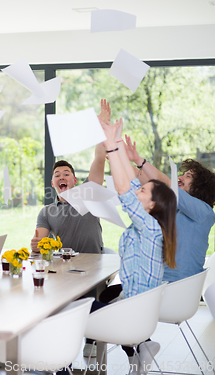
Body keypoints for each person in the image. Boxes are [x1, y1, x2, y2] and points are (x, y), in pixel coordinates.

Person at [94, 117, 177, 375]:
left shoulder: (150, 229)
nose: (137, 191)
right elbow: (130, 184)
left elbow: (124, 190)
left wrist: (110, 147)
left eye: (143, 192)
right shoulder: (152, 227)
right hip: (136, 311)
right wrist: (117, 143)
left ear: (152, 205)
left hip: (131, 315)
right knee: (96, 298)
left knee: (66, 307)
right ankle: (141, 347)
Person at [124, 135, 215, 283]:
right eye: (182, 174)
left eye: (188, 176)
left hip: (171, 289)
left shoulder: (204, 212)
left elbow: (165, 183)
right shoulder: (177, 208)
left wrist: (139, 160)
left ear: (198, 187)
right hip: (159, 284)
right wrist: (120, 156)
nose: (180, 177)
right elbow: (146, 181)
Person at [31, 100, 110, 254]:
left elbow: (100, 158)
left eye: (66, 174)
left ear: (74, 181)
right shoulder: (46, 212)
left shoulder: (88, 193)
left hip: (95, 265)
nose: (62, 177)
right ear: (52, 183)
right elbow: (40, 245)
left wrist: (102, 127)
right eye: (57, 175)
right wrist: (36, 247)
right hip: (64, 267)